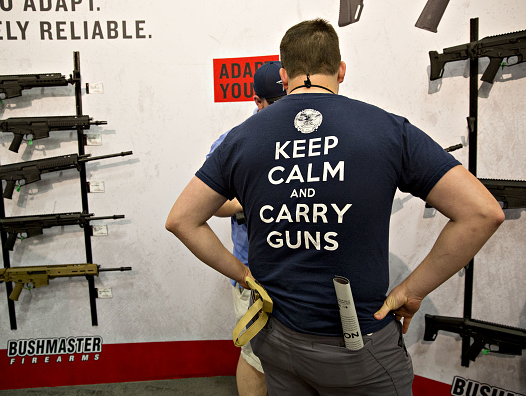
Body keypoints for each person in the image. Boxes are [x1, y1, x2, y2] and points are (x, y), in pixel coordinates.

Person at [166, 18, 504, 395]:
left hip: (277, 340)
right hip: (358, 347)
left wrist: (245, 276)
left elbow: (182, 220)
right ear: (341, 69)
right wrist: (411, 290)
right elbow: (482, 212)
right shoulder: (386, 129)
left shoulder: (242, 137)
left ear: (283, 74)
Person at [207, 60, 286, 396]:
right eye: (276, 105)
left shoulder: (311, 137)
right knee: (256, 358)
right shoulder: (233, 143)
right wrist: (248, 200)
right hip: (253, 276)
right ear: (258, 102)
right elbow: (209, 205)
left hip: (301, 271)